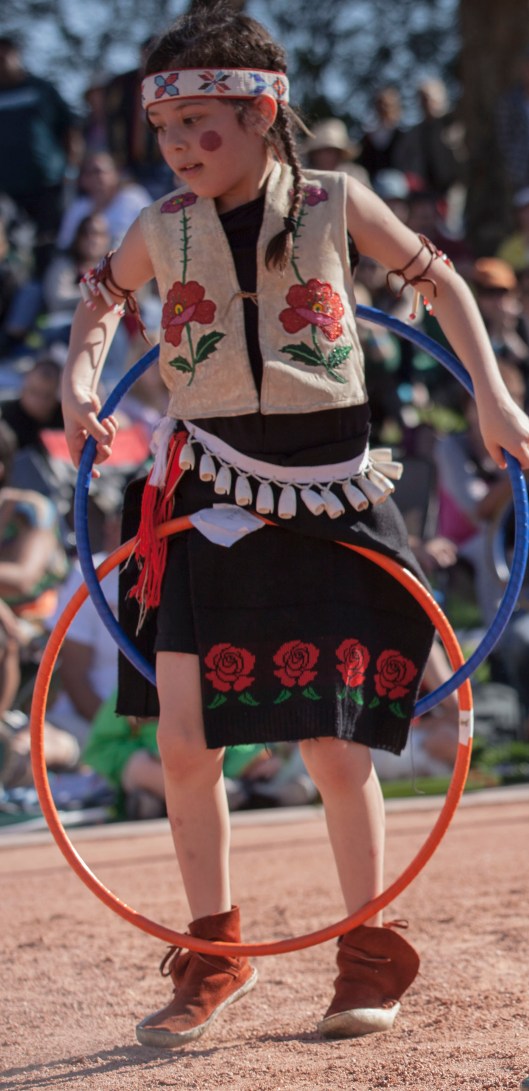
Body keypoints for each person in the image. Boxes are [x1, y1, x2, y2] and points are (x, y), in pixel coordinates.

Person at [61, 2, 529, 1050]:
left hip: (329, 485)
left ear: (262, 112)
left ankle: (365, 946)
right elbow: (99, 296)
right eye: (169, 132)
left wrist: (495, 402)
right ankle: (212, 952)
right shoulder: (156, 225)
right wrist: (82, 376)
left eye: (203, 128)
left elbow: (441, 283)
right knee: (183, 741)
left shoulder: (333, 201)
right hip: (202, 492)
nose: (182, 148)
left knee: (331, 740)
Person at [0, 36, 82, 276]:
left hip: (48, 183)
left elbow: (70, 127)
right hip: (7, 190)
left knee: (50, 243)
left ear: (17, 56)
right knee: (14, 247)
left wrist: (71, 168)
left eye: (5, 56)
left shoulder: (41, 89)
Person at [55, 151, 151, 253]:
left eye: (99, 171)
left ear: (116, 173)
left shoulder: (134, 199)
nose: (95, 177)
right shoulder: (78, 208)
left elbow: (153, 234)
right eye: (89, 172)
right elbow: (64, 245)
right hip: (88, 266)